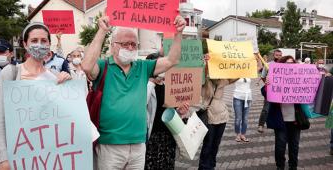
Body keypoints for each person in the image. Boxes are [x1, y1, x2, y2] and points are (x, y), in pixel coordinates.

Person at [81, 15, 186, 170]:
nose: (130, 48)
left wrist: (178, 34)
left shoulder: (142, 67)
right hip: (110, 145)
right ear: (113, 45)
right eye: (125, 44)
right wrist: (102, 30)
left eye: (133, 44)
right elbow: (87, 65)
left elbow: (172, 60)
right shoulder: (103, 66)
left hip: (138, 144)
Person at [0, 22, 71, 170]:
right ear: (25, 44)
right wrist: (4, 158)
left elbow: (65, 119)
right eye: (34, 41)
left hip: (47, 156)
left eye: (44, 41)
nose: (39, 45)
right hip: (18, 155)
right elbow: (0, 119)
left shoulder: (54, 77)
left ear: (49, 44)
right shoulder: (11, 73)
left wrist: (68, 84)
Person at [145, 53, 189, 170]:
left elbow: (172, 111)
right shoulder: (145, 85)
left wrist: (179, 112)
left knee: (167, 165)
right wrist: (151, 82)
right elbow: (141, 103)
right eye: (159, 65)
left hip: (168, 136)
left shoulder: (169, 86)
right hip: (152, 137)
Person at [266, 55, 308, 170]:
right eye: (287, 64)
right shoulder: (275, 77)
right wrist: (267, 85)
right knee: (280, 146)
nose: (290, 66)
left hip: (295, 120)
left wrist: (324, 77)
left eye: (292, 64)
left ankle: (293, 166)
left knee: (294, 146)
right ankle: (280, 166)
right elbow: (266, 94)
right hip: (281, 120)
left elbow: (311, 88)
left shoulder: (299, 79)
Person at [198, 55, 238, 170]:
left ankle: (211, 166)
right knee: (208, 144)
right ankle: (204, 167)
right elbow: (202, 75)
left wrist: (244, 70)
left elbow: (233, 78)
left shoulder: (221, 80)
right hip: (209, 116)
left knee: (215, 145)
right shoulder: (205, 80)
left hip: (222, 116)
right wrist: (206, 64)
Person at [257, 49, 282, 133]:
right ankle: (261, 125)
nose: (278, 57)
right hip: (270, 90)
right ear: (273, 56)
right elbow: (263, 76)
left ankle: (279, 123)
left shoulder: (284, 65)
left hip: (281, 91)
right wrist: (267, 84)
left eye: (280, 55)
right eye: (277, 55)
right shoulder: (268, 65)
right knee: (266, 108)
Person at [233, 78, 252, 142]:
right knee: (238, 118)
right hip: (237, 97)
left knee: (245, 118)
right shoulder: (236, 72)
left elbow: (258, 68)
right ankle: (238, 134)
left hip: (248, 98)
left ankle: (243, 134)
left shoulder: (249, 72)